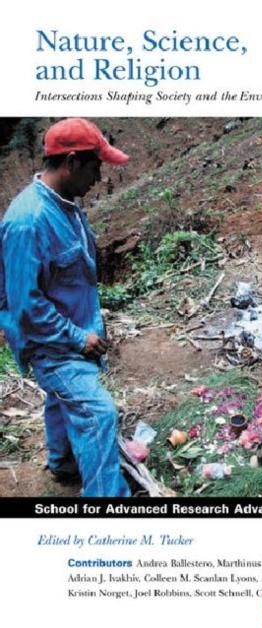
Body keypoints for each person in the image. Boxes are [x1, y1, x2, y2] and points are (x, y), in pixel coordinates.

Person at [0, 118, 131, 497]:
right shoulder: (28, 222)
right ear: (73, 162)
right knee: (98, 414)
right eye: (96, 166)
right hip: (51, 342)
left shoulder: (66, 206)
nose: (99, 176)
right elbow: (26, 305)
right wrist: (77, 338)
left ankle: (64, 463)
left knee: (64, 400)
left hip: (74, 327)